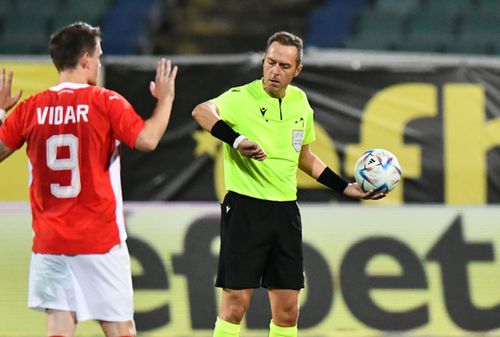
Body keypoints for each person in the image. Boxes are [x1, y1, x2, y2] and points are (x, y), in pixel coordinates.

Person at [191, 31, 386, 337]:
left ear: (298, 70)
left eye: (284, 65)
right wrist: (237, 139)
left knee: (287, 309)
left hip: (285, 213)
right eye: (270, 62)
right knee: (235, 303)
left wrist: (345, 187)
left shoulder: (300, 103)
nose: (274, 71)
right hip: (245, 207)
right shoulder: (241, 97)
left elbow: (305, 157)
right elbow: (202, 111)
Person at [0, 22, 177, 337]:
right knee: (121, 330)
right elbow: (148, 140)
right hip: (99, 240)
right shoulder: (105, 102)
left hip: (50, 242)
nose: (99, 61)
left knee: (58, 329)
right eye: (97, 55)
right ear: (84, 58)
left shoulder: (30, 109)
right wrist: (165, 100)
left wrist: (1, 114)